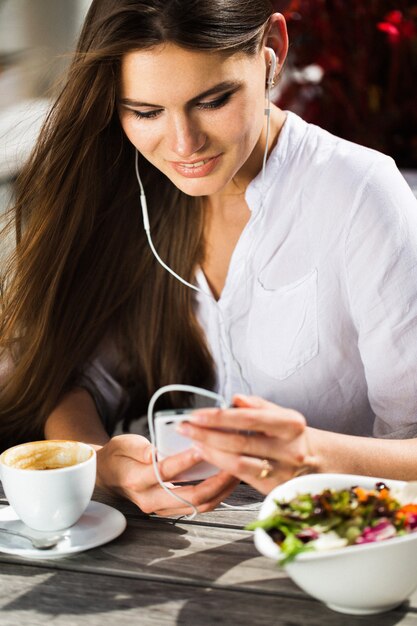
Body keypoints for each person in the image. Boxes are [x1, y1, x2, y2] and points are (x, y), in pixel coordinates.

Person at [1, 0, 417, 517]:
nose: (184, 146)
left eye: (214, 100)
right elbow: (74, 379)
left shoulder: (360, 194)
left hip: (348, 544)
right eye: (146, 112)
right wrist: (101, 460)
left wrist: (311, 456)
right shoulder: (135, 187)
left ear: (273, 52)